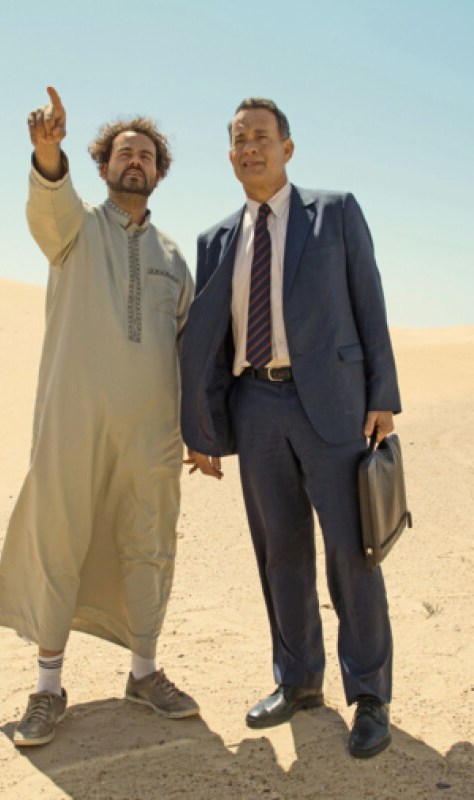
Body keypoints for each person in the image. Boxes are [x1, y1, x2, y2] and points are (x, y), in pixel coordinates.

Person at [182, 98, 401, 759]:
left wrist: (382, 395)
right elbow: (209, 344)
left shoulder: (335, 212)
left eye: (262, 136)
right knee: (279, 553)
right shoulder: (216, 239)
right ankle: (299, 680)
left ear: (287, 148)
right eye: (239, 139)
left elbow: (369, 300)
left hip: (332, 405)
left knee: (351, 553)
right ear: (229, 155)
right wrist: (202, 428)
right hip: (255, 405)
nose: (250, 147)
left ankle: (369, 695)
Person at [0, 87, 198, 747]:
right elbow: (49, 204)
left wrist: (202, 432)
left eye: (146, 156)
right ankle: (47, 688)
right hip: (73, 424)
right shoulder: (75, 230)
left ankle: (144, 673)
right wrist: (48, 154)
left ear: (159, 173)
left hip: (153, 433)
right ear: (103, 166)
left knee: (149, 543)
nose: (135, 161)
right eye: (123, 153)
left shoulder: (173, 257)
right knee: (60, 540)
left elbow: (190, 351)